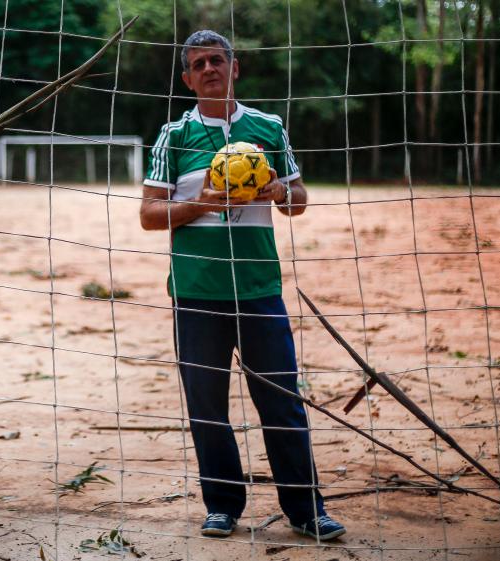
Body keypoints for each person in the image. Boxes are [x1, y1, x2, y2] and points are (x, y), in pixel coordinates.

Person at [139, 30, 346, 541]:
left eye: (217, 59)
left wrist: (278, 188)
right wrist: (202, 205)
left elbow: (297, 200)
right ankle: (223, 505)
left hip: (258, 287)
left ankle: (306, 510)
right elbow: (148, 214)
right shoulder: (175, 135)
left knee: (280, 399)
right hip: (196, 290)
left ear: (236, 67)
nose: (209, 68)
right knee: (207, 404)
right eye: (198, 64)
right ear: (187, 79)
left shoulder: (267, 127)